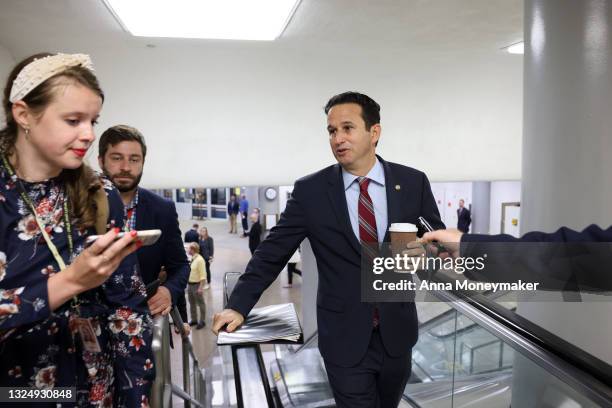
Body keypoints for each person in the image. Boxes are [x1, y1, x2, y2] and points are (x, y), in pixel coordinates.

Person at [213, 91, 444, 407]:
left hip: (397, 336)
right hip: (344, 338)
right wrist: (238, 305)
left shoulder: (413, 182)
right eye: (332, 131)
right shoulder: (311, 191)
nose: (338, 139)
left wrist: (427, 255)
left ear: (374, 132)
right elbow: (272, 251)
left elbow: (437, 244)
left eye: (347, 128)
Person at [0, 53, 153, 406]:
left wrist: (137, 396)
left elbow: (126, 307)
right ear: (23, 114)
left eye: (93, 120)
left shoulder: (100, 192)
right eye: (73, 120)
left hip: (95, 389)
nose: (89, 134)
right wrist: (70, 282)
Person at [99, 125, 190, 317]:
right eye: (116, 158)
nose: (125, 167)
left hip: (142, 320)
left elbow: (180, 266)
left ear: (143, 163)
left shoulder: (162, 209)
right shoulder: (80, 207)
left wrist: (168, 291)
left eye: (134, 159)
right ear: (101, 161)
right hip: (92, 322)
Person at [187, 243, 207, 329]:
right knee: (192, 303)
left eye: (189, 249)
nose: (188, 250)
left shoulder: (200, 260)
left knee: (201, 304)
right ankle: (194, 319)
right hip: (190, 285)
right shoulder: (193, 259)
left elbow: (203, 275)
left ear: (193, 250)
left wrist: (201, 287)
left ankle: (202, 321)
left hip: (197, 285)